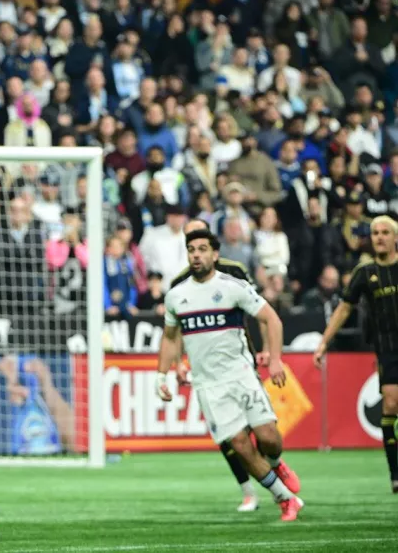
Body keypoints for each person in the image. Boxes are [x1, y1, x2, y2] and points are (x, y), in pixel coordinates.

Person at [157, 229, 304, 522]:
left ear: (214, 254)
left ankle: (275, 463)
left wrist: (275, 359)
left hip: (241, 375)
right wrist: (162, 376)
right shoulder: (176, 295)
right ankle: (285, 499)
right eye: (191, 250)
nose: (196, 255)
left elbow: (270, 318)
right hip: (209, 385)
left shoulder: (233, 286)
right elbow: (171, 337)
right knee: (238, 445)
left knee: (268, 438)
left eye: (201, 249)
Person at [314, 216, 398, 493]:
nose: (380, 237)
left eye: (385, 232)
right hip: (387, 349)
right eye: (375, 232)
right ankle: (395, 473)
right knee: (389, 405)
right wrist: (325, 341)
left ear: (395, 237)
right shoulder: (365, 272)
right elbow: (344, 308)